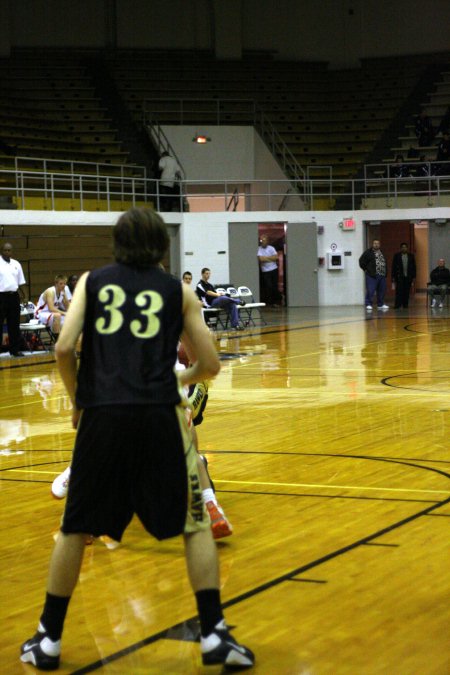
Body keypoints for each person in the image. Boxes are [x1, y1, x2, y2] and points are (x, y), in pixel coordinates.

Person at [20, 208, 254, 671]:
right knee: (194, 526)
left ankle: (48, 638)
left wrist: (77, 400)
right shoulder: (178, 290)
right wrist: (179, 379)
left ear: (117, 243)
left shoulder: (92, 282)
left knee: (75, 527)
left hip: (102, 416)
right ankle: (213, 634)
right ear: (161, 247)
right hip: (159, 417)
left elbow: (64, 347)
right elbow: (209, 364)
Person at [0, 242, 27, 357]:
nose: (7, 252)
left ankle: (15, 350)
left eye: (9, 250)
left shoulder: (16, 264)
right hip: (1, 297)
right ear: (1, 251)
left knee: (14, 324)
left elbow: (21, 282)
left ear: (12, 251)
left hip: (14, 296)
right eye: (5, 250)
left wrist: (25, 296)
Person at [359, 239, 389, 311]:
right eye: (375, 243)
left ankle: (380, 304)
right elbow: (361, 261)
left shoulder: (382, 252)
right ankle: (368, 304)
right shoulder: (368, 252)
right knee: (370, 290)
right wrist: (366, 269)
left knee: (381, 290)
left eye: (378, 243)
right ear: (372, 244)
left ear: (379, 245)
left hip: (382, 275)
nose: (376, 245)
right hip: (372, 275)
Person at [257, 235, 281, 306]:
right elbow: (261, 259)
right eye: (261, 240)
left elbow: (276, 257)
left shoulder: (271, 248)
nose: (262, 242)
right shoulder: (259, 249)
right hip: (265, 271)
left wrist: (265, 258)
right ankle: (269, 302)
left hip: (274, 269)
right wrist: (270, 258)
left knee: (274, 286)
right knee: (268, 286)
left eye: (264, 240)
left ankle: (276, 301)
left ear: (267, 241)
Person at [391, 243, 416, 309]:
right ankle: (397, 305)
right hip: (399, 277)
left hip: (408, 277)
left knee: (406, 292)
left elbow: (414, 267)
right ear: (401, 248)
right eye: (402, 247)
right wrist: (393, 277)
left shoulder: (411, 256)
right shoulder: (397, 256)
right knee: (399, 291)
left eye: (405, 247)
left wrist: (414, 277)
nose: (404, 248)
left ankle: (405, 305)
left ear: (407, 248)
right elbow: (393, 266)